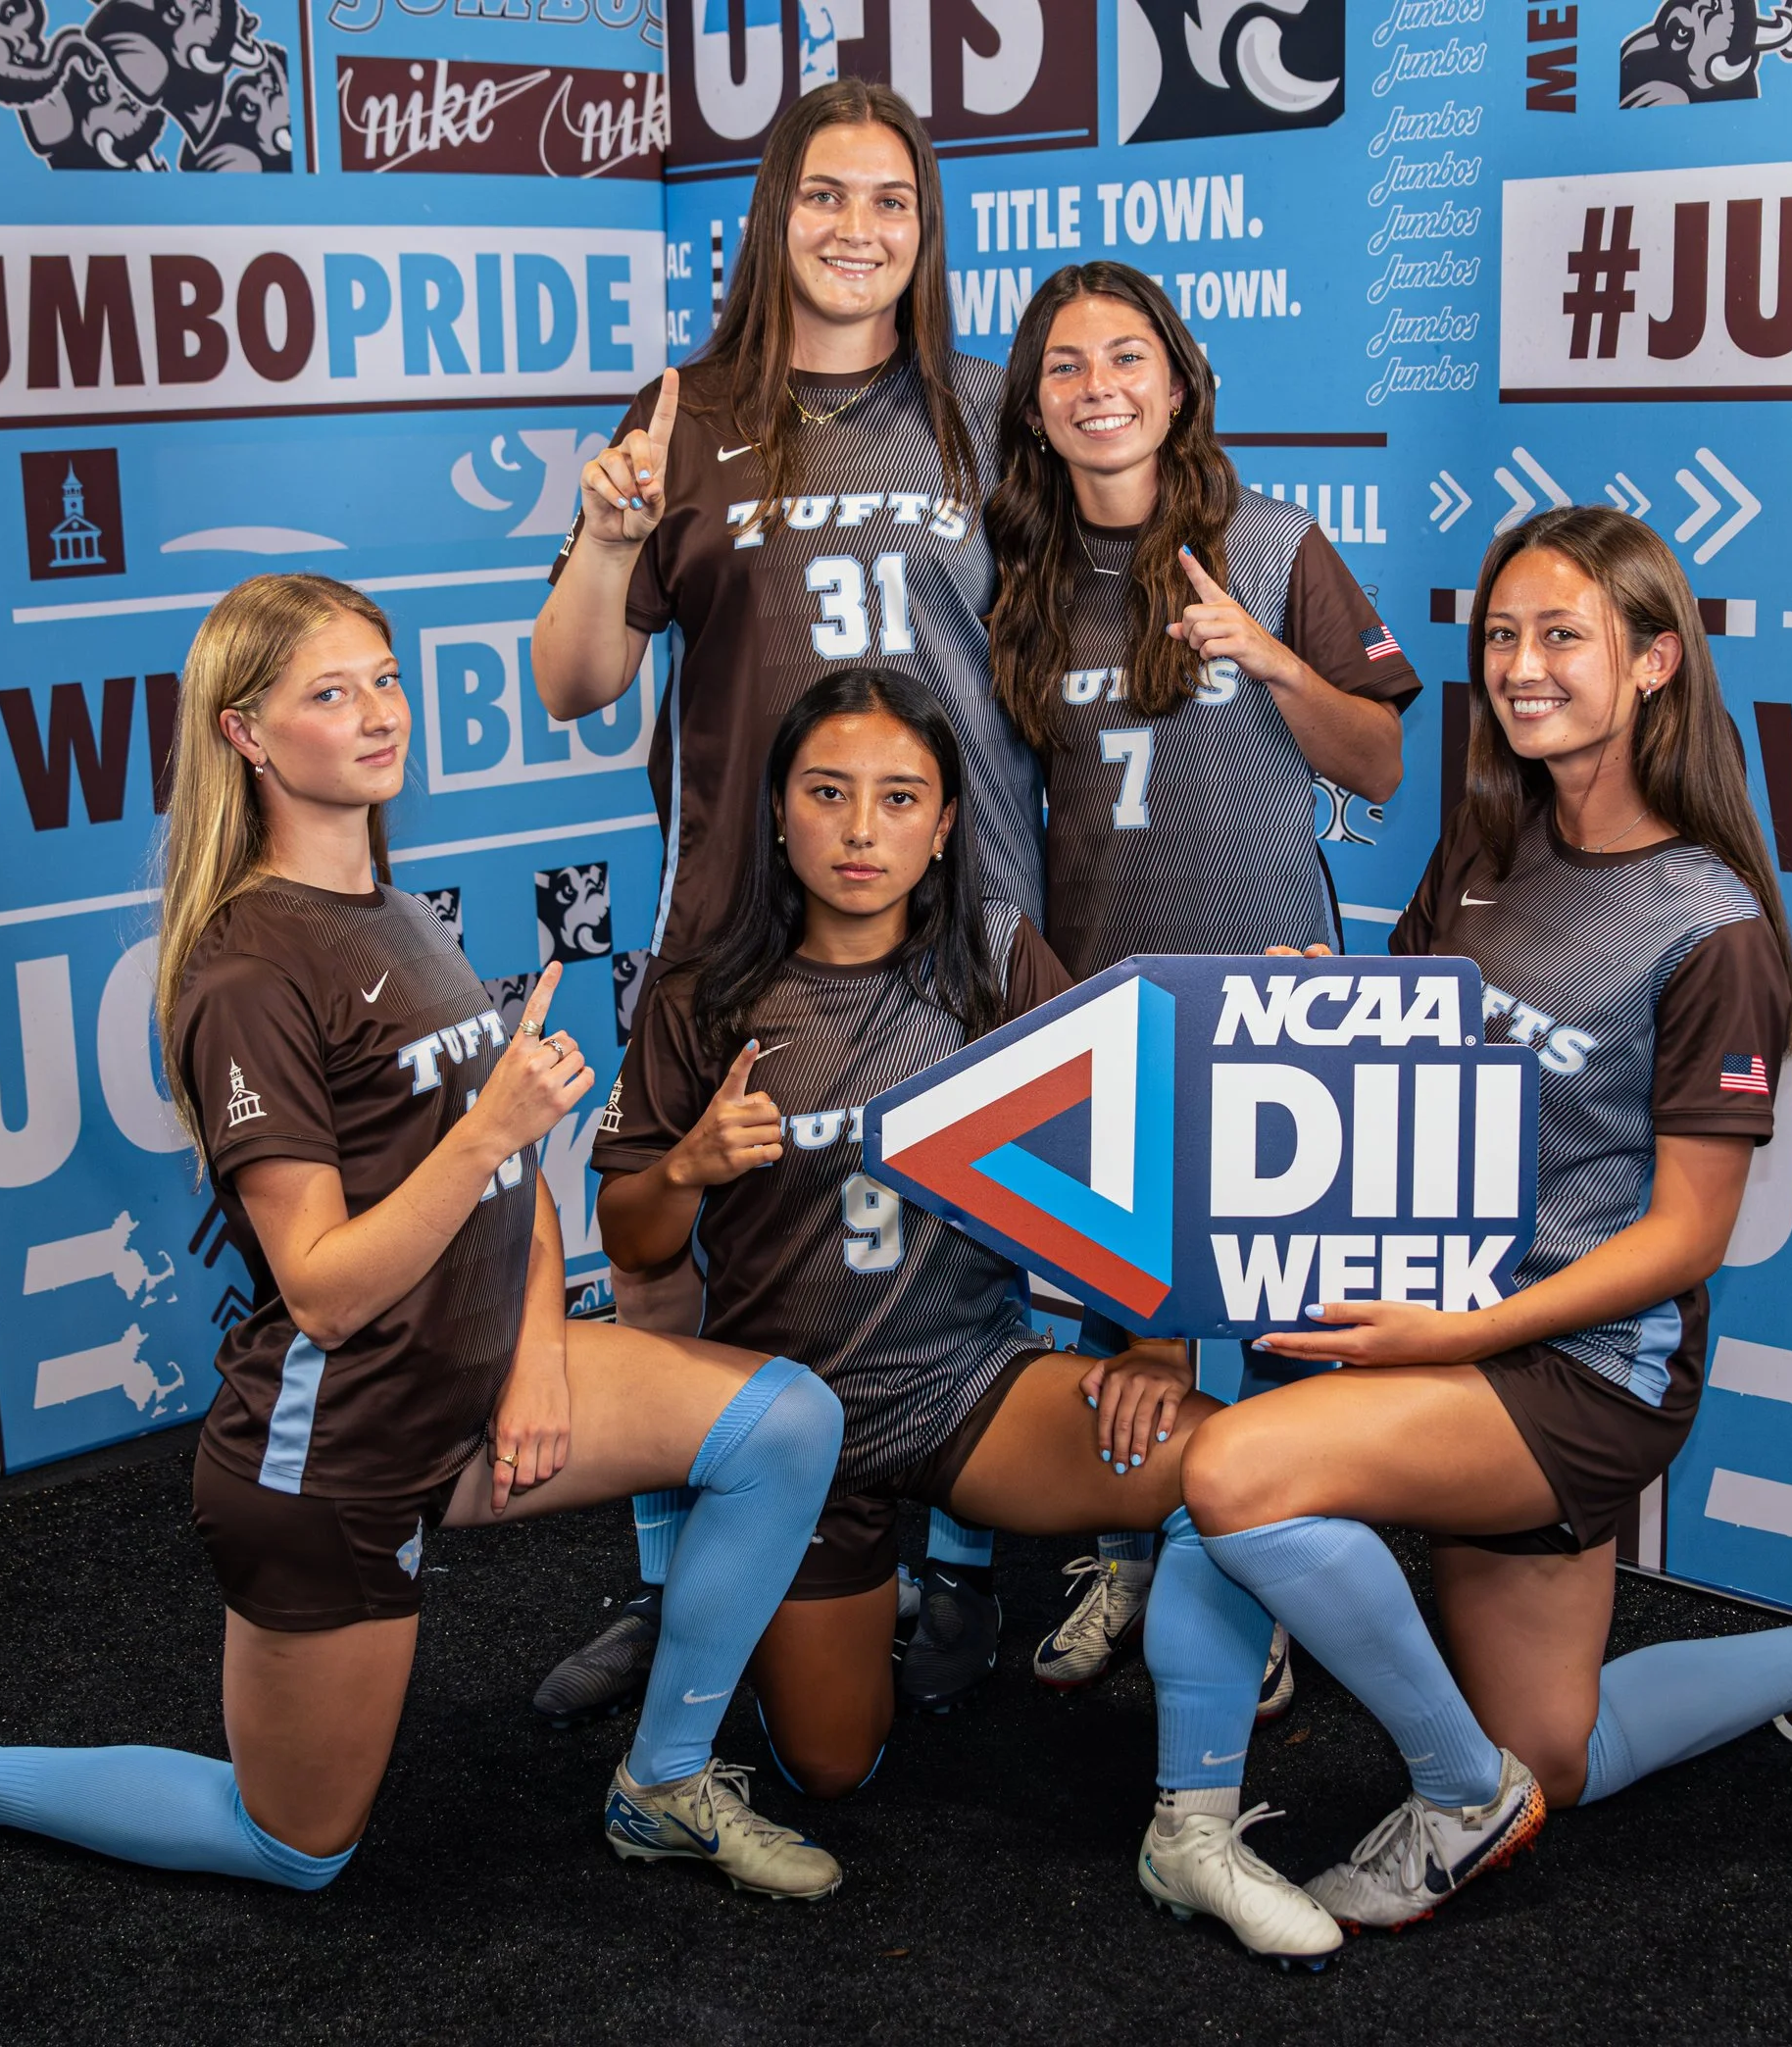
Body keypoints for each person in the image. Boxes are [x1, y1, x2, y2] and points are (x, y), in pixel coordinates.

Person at [0, 574, 847, 1901]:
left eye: (385, 680)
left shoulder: (389, 906)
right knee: (296, 1845)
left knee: (785, 1424)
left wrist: (543, 1355)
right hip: (332, 1455)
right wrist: (490, 1132)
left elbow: (515, 1188)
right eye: (330, 694)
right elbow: (324, 1291)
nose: (379, 713)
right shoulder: (247, 970)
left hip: (474, 1378)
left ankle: (663, 1786)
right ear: (247, 736)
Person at [1175, 507, 1792, 1935]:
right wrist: (1311, 1013)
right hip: (1460, 1320)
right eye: (1503, 636)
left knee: (1237, 1473)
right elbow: (1407, 1077)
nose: (1521, 666)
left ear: (1651, 662)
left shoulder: (1713, 929)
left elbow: (1689, 1237)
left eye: (1562, 635)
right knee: (1560, 1753)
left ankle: (1457, 1796)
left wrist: (1459, 1333)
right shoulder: (1488, 848)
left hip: (1582, 1366)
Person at [592, 668, 1349, 1966]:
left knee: (1231, 1466)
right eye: (826, 794)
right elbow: (633, 1237)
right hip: (792, 1434)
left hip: (970, 1391)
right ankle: (855, 1595)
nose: (859, 830)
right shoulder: (701, 988)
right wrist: (686, 1170)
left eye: (899, 799)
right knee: (833, 1770)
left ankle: (1199, 1824)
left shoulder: (992, 959)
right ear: (778, 812)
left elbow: (1126, 1148)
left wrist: (1159, 1344)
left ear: (946, 822)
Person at [531, 78, 1035, 1721]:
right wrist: (607, 546)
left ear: (926, 228)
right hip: (734, 910)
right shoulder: (686, 407)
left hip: (961, 914)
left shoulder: (983, 409)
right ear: (773, 214)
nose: (857, 230)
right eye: (825, 196)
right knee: (679, 1240)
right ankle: (679, 1584)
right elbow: (572, 682)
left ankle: (954, 1576)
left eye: (891, 201)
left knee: (974, 1217)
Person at [982, 261, 1423, 1699]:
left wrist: (1272, 661)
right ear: (1037, 409)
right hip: (1114, 999)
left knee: (1287, 1322)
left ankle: (1278, 1578)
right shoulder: (1020, 579)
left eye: (1127, 357)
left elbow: (1381, 761)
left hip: (1282, 998)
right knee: (1133, 1321)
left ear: (1178, 382)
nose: (1098, 385)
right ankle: (1134, 1550)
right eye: (1064, 366)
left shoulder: (1276, 542)